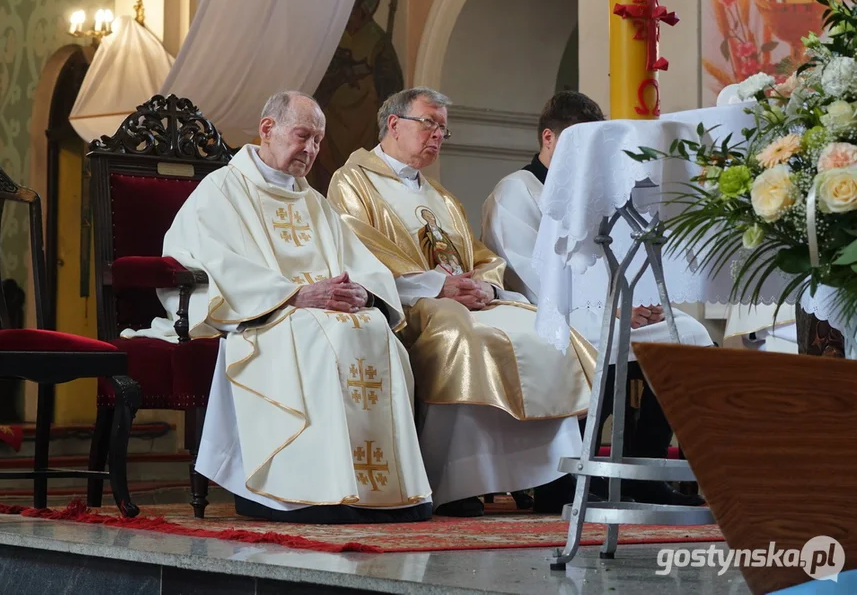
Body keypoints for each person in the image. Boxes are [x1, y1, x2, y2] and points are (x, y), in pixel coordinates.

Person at [125, 91, 431, 524]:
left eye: (318, 141)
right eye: (303, 135)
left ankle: (378, 490)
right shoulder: (222, 190)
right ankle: (296, 489)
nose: (310, 150)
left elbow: (362, 265)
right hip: (259, 317)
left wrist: (365, 293)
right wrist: (293, 296)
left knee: (373, 330)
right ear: (268, 129)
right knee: (327, 336)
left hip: (316, 312)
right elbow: (204, 261)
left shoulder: (313, 201)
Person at [327, 87, 597, 517]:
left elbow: (483, 258)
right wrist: (438, 286)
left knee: (545, 331)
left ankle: (554, 478)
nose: (437, 135)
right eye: (429, 123)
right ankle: (456, 480)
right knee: (459, 334)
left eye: (443, 129)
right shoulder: (352, 182)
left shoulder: (441, 197)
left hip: (466, 300)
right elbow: (360, 251)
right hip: (404, 305)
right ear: (394, 124)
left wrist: (487, 288)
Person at [481, 91, 711, 506]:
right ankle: (571, 469)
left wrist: (635, 301)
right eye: (576, 143)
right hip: (548, 312)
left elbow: (620, 255)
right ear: (548, 139)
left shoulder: (592, 191)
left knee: (688, 333)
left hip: (610, 308)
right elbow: (529, 274)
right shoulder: (515, 192)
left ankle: (645, 463)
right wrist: (614, 309)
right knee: (601, 341)